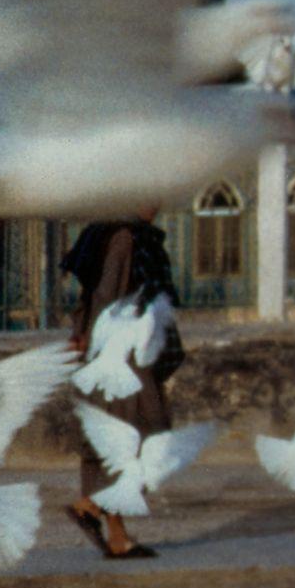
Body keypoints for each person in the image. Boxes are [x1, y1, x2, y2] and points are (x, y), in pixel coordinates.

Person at [59, 215, 183, 560]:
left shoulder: (104, 231)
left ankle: (117, 536)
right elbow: (106, 294)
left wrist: (82, 331)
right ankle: (91, 505)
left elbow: (92, 292)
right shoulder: (125, 238)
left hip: (107, 350)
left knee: (107, 445)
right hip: (123, 354)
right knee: (151, 433)